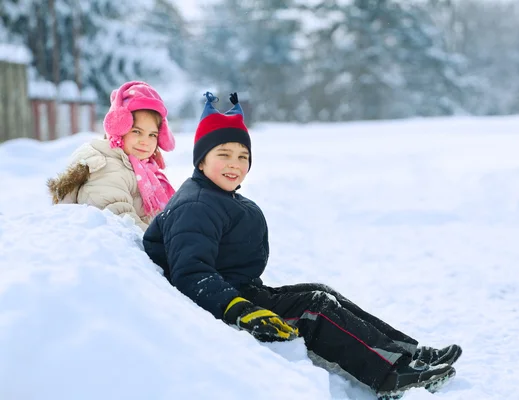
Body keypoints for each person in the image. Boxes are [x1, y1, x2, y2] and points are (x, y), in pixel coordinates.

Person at [142, 92, 462, 399]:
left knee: (321, 292)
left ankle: (410, 353)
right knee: (315, 309)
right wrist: (240, 310)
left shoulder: (217, 196)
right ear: (201, 160)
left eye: (243, 156)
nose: (235, 164)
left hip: (242, 290)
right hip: (227, 302)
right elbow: (191, 273)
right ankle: (390, 374)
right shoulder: (196, 205)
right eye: (223, 154)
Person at [48, 81, 176, 232]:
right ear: (119, 129)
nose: (145, 141)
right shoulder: (108, 167)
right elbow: (121, 221)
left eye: (152, 135)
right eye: (136, 131)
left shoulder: (144, 170)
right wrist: (163, 245)